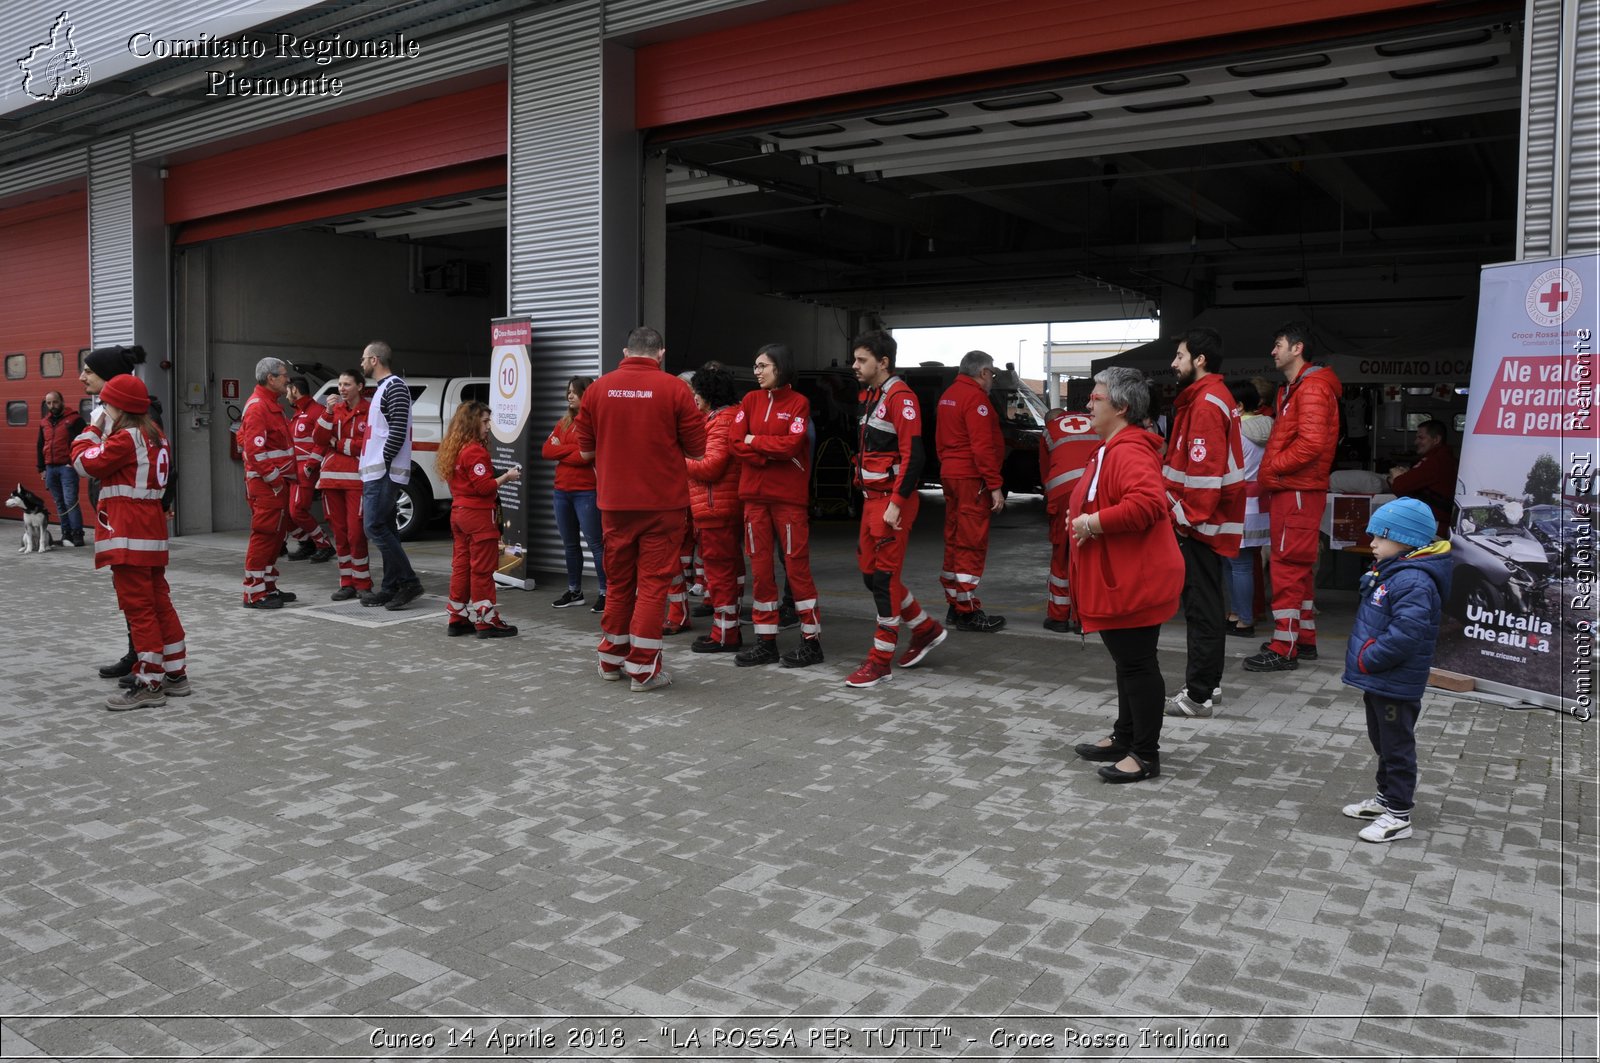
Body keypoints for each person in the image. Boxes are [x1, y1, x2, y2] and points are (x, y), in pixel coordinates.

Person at [1067, 367, 1185, 782]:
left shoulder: (1128, 450)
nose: (1088, 403)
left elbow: (1147, 504)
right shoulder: (1111, 448)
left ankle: (1145, 754)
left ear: (1120, 406)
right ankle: (1125, 736)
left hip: (1136, 579)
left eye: (1095, 397)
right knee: (1128, 662)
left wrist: (1090, 524)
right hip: (1122, 576)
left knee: (1137, 664)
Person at [575, 326, 707, 691]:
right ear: (661, 353)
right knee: (652, 586)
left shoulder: (597, 390)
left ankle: (610, 659)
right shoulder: (675, 389)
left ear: (625, 350)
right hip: (662, 506)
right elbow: (698, 450)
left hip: (614, 504)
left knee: (618, 583)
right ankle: (644, 670)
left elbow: (585, 453)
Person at [70, 375, 189, 710]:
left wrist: (93, 429)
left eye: (106, 404)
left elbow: (82, 461)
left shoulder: (127, 438)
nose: (102, 409)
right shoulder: (156, 436)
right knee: (159, 601)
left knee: (139, 608)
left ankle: (150, 683)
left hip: (128, 531)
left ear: (119, 407)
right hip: (149, 530)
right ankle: (175, 673)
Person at [1340, 497, 1451, 843]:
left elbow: (1406, 633)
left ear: (1407, 540)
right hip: (1381, 679)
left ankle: (1399, 815)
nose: (1372, 543)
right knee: (1381, 740)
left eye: (1380, 537)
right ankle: (1385, 798)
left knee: (1396, 744)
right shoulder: (1394, 572)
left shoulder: (1414, 581)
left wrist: (1369, 657)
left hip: (1394, 681)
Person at [845, 329, 947, 688]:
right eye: (855, 359)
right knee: (872, 576)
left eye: (861, 360)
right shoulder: (872, 395)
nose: (854, 365)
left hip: (890, 503)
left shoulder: (901, 397)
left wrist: (897, 504)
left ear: (883, 362)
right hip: (873, 501)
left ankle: (880, 661)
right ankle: (925, 629)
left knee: (884, 581)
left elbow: (913, 456)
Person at [1244, 321, 1343, 672]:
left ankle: (1283, 646)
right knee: (1297, 568)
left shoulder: (1311, 388)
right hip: (1297, 489)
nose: (1273, 351)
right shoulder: (1297, 388)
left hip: (1296, 489)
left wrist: (1272, 471)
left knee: (1285, 566)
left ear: (1297, 348)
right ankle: (1303, 639)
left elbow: (1311, 444)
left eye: (1279, 344)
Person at [1162, 327, 1245, 720]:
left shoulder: (1206, 403)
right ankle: (1207, 686)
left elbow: (1204, 475)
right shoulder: (1206, 399)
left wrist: (1182, 518)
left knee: (1202, 609)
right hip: (1207, 523)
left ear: (1200, 360)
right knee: (1207, 605)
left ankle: (1198, 696)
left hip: (1201, 525)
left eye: (1179, 356)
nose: (1173, 364)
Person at [78, 344, 172, 680]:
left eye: (88, 371)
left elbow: (100, 461)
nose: (82, 377)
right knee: (146, 601)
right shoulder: (117, 413)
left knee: (140, 602)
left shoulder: (135, 419)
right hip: (129, 520)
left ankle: (146, 667)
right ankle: (155, 663)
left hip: (132, 525)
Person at [729, 343, 823, 669]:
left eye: (762, 366)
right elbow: (734, 441)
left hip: (788, 500)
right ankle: (765, 641)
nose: (757, 372)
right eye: (755, 366)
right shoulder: (750, 400)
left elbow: (791, 445)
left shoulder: (799, 403)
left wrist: (755, 442)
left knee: (796, 569)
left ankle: (811, 643)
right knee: (762, 571)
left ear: (780, 368)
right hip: (754, 500)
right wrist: (763, 447)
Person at [935, 350, 1007, 632]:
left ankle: (955, 604)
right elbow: (982, 447)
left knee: (954, 539)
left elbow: (941, 440)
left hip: (952, 475)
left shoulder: (948, 395)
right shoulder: (976, 398)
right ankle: (966, 610)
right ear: (984, 372)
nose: (992, 380)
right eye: (992, 374)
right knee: (971, 542)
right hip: (971, 479)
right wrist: (995, 485)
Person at [437, 401, 521, 638]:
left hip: (459, 513)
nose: (488, 427)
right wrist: (507, 476)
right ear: (472, 422)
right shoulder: (474, 450)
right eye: (484, 421)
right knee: (482, 570)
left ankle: (457, 617)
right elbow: (484, 487)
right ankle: (487, 620)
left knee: (461, 566)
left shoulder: (455, 448)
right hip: (478, 517)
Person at [358, 341, 425, 610]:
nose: (361, 362)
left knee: (373, 526)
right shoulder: (385, 388)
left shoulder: (394, 386)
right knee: (385, 528)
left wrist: (382, 462)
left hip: (383, 472)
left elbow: (397, 430)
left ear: (374, 360)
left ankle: (409, 582)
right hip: (378, 471)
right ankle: (390, 586)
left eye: (364, 358)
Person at [686, 365, 745, 654]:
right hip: (719, 507)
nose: (693, 397)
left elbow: (711, 467)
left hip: (716, 508)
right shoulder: (720, 418)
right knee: (725, 572)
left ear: (708, 394)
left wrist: (677, 460)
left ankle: (724, 635)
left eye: (696, 391)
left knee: (720, 573)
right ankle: (726, 629)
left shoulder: (722, 422)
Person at [237, 357, 298, 610]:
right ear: (270, 378)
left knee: (276, 537)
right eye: (283, 375)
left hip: (275, 485)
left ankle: (267, 586)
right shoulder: (258, 407)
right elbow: (255, 452)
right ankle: (253, 593)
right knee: (264, 536)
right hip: (267, 486)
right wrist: (275, 481)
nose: (287, 379)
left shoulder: (270, 404)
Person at [542, 375, 606, 614]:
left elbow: (587, 457)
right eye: (568, 391)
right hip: (562, 492)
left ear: (586, 395)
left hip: (587, 492)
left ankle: (605, 592)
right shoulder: (564, 422)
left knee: (596, 544)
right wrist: (571, 450)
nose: (569, 395)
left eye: (575, 392)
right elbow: (546, 450)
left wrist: (562, 450)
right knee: (570, 545)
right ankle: (575, 591)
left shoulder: (594, 423)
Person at [312, 369, 374, 601]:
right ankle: (346, 582)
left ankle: (363, 583)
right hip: (331, 479)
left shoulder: (370, 411)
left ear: (360, 386)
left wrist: (338, 444)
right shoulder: (333, 410)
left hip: (356, 479)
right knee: (340, 533)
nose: (342, 388)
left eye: (347, 384)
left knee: (356, 533)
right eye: (340, 384)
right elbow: (318, 439)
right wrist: (327, 412)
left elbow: (366, 445)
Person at [1040, 407, 1101, 633]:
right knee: (1089, 551)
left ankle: (1058, 617)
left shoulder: (1049, 430)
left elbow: (1045, 471)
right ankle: (1084, 618)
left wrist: (1051, 503)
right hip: (1094, 488)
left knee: (1062, 552)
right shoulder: (1094, 420)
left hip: (1064, 492)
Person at [1226, 380, 1273, 637]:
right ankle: (1237, 613)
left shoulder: (1237, 429)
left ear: (1240, 405)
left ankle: (1243, 618)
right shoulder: (1270, 426)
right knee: (1240, 563)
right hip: (1260, 502)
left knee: (1239, 564)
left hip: (1238, 501)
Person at [283, 376, 336, 563]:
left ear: (295, 390)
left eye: (288, 390)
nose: (286, 394)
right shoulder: (298, 413)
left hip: (304, 471)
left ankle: (324, 545)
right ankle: (306, 543)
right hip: (293, 470)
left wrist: (309, 466)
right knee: (286, 511)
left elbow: (322, 441)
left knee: (297, 510)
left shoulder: (316, 411)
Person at [1388, 419, 1459, 535]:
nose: (1416, 442)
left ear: (1436, 439)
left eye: (1421, 438)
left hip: (1434, 525)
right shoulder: (1443, 459)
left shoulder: (1436, 461)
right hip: (1435, 522)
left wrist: (1395, 477)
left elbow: (1400, 486)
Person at [37, 390, 86, 547]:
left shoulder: (75, 420)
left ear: (62, 401)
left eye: (55, 402)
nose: (52, 406)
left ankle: (77, 534)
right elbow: (40, 445)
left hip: (67, 468)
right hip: (50, 468)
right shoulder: (44, 422)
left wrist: (74, 462)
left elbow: (84, 441)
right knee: (59, 502)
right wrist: (41, 468)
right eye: (49, 403)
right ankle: (66, 534)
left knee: (70, 501)